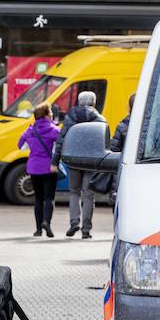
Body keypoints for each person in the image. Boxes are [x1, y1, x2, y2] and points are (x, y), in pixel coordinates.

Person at [51, 91, 106, 239]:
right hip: (91, 162)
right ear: (94, 103)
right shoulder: (100, 120)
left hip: (74, 161)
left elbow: (61, 141)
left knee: (74, 192)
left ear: (79, 102)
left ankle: (74, 222)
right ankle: (86, 230)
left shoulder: (70, 118)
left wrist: (55, 162)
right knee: (88, 195)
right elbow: (104, 143)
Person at [17, 102, 60, 238]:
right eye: (51, 112)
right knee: (49, 198)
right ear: (47, 115)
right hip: (48, 168)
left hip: (33, 168)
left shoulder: (29, 130)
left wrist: (31, 146)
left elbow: (19, 145)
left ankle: (38, 229)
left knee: (38, 199)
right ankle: (46, 222)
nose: (52, 114)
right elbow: (61, 145)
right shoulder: (54, 130)